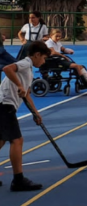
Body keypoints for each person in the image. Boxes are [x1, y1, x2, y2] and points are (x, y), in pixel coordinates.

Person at [0, 41, 50, 191]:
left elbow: (27, 94)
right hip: (4, 104)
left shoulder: (29, 69)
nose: (44, 62)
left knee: (1, 140)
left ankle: (18, 179)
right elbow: (7, 68)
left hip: (5, 105)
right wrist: (19, 86)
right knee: (17, 140)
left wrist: (35, 113)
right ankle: (18, 180)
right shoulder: (25, 64)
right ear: (37, 55)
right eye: (43, 58)